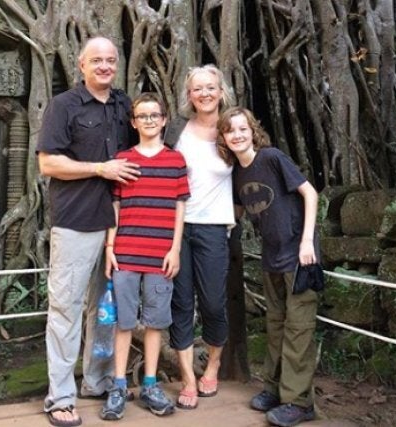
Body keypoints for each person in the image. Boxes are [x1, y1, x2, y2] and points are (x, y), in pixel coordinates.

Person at [36, 36, 141, 427]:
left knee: (106, 310)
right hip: (76, 221)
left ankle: (96, 382)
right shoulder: (64, 106)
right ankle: (59, 397)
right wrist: (100, 168)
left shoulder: (123, 105)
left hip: (120, 223)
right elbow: (48, 164)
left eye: (110, 60)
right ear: (81, 65)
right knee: (66, 309)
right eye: (96, 60)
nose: (104, 66)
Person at [216, 107, 320, 427]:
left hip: (300, 258)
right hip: (271, 258)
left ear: (253, 130)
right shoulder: (238, 173)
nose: (238, 135)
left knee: (298, 328)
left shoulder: (272, 158)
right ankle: (275, 390)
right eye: (230, 130)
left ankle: (299, 402)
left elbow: (309, 193)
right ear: (223, 138)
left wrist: (307, 242)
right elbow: (235, 212)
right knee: (275, 325)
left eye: (243, 128)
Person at [99, 92, 190, 420]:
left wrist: (175, 248)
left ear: (164, 119)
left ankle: (150, 383)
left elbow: (180, 205)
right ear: (133, 122)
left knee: (155, 322)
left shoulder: (175, 161)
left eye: (155, 115)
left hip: (161, 254)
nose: (149, 120)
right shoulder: (124, 159)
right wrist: (111, 247)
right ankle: (119, 384)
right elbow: (116, 207)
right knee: (123, 322)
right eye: (143, 116)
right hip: (126, 251)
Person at [163, 64, 235, 410]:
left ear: (221, 91)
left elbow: (256, 164)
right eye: (197, 89)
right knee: (180, 303)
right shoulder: (177, 128)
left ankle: (215, 363)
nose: (204, 94)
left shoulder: (232, 129)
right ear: (188, 95)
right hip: (176, 228)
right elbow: (158, 171)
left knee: (212, 303)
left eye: (210, 87)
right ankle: (188, 377)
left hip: (214, 228)